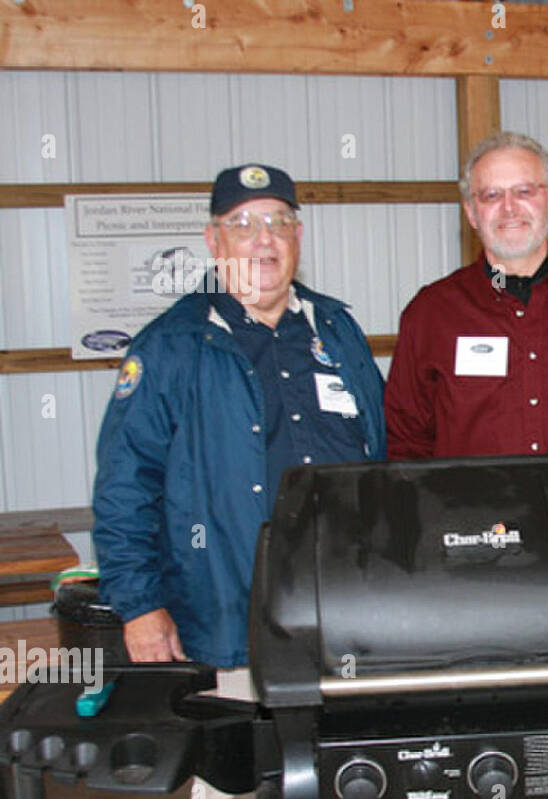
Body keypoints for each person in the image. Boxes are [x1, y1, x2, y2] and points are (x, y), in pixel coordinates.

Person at [93, 163, 387, 669]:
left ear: (298, 236)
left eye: (278, 222)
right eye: (243, 224)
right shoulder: (171, 347)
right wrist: (140, 606)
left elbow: (382, 452)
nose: (263, 239)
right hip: (227, 619)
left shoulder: (337, 330)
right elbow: (125, 486)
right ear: (214, 240)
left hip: (349, 608)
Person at [385, 132, 548, 458]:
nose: (508, 208)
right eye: (491, 195)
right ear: (471, 213)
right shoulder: (431, 314)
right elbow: (406, 439)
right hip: (474, 495)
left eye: (524, 191)